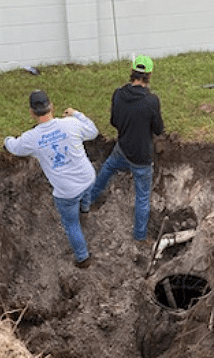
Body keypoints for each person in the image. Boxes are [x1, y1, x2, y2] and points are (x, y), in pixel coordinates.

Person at [4, 90, 99, 268]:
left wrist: (7, 140)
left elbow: (14, 148)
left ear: (32, 112)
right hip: (87, 177)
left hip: (67, 191)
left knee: (71, 224)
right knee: (85, 190)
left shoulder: (31, 138)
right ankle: (85, 210)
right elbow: (93, 132)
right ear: (52, 107)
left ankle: (83, 258)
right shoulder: (71, 124)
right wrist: (77, 114)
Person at [90, 55, 164, 243]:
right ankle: (139, 236)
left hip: (122, 148)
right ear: (150, 75)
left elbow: (114, 121)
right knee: (142, 197)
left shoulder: (118, 94)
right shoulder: (151, 101)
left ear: (132, 72)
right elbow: (158, 129)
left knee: (107, 169)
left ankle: (89, 201)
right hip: (142, 157)